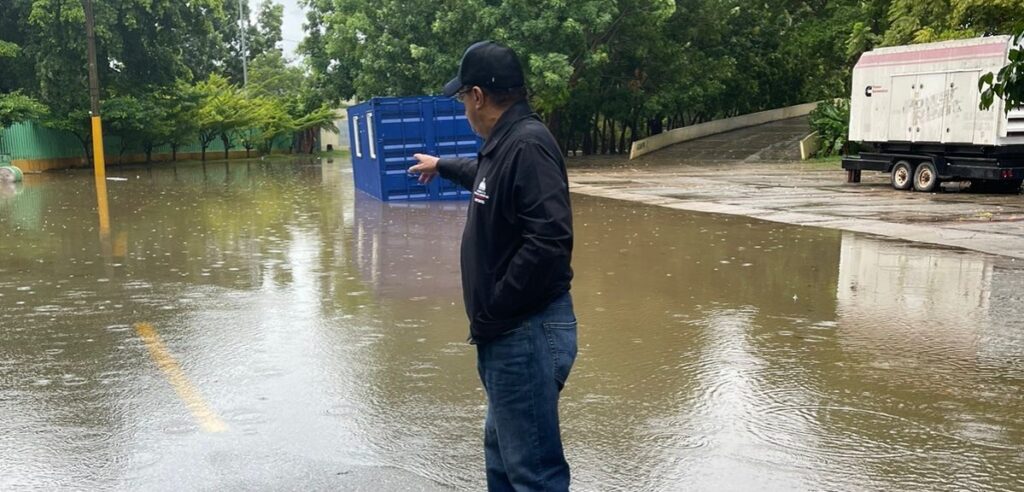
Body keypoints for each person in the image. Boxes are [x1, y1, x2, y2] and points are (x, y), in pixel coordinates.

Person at [408, 40, 577, 491]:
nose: (464, 107)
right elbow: (484, 179)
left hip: (524, 332)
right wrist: (442, 165)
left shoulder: (528, 145)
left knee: (532, 472)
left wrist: (496, 309)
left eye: (463, 97)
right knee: (502, 459)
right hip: (509, 333)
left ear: (478, 96)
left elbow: (550, 241)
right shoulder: (504, 147)